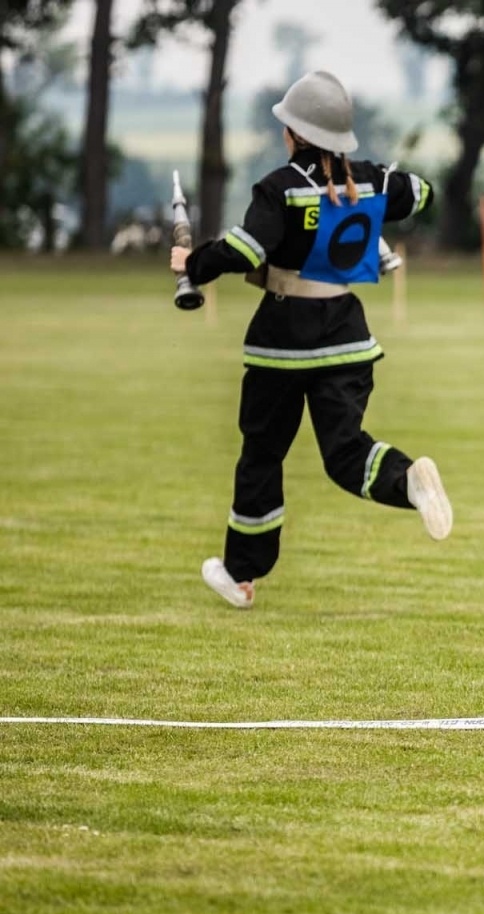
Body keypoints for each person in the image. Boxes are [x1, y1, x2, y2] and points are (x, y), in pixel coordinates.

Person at [170, 71, 451, 610]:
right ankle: (406, 479)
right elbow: (421, 192)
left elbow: (247, 251)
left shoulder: (278, 188)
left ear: (293, 134)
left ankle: (242, 574)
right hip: (348, 339)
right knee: (345, 452)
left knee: (262, 455)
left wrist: (194, 263)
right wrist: (374, 187)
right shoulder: (368, 179)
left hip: (281, 344)